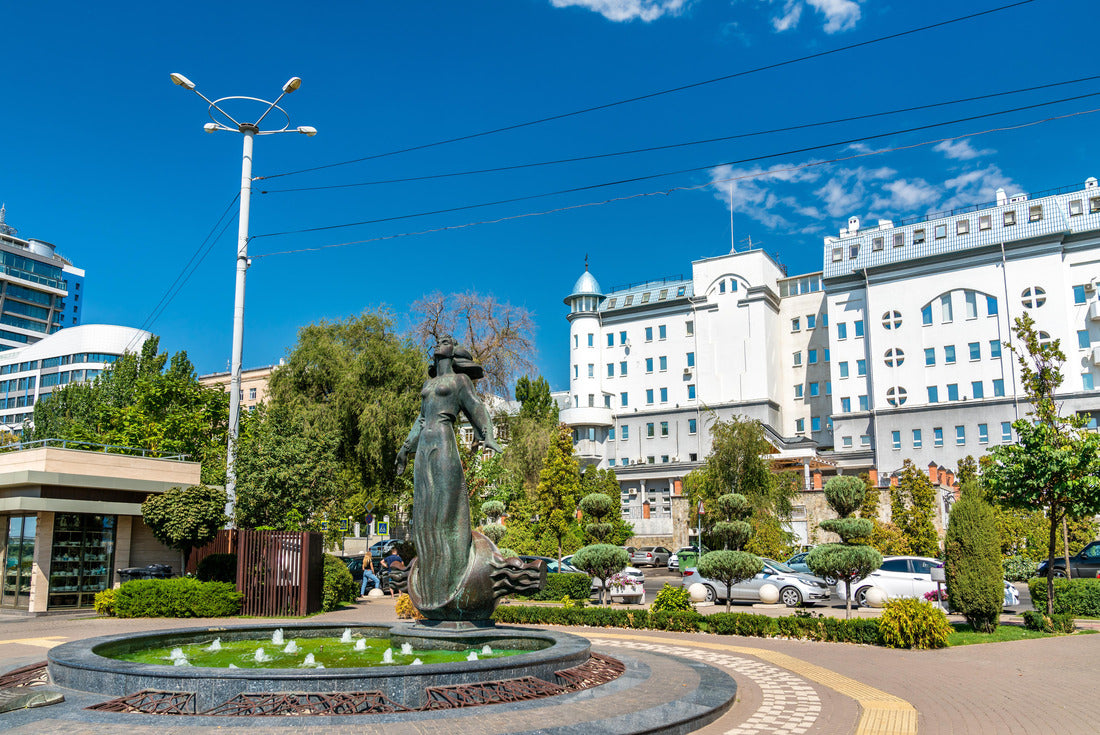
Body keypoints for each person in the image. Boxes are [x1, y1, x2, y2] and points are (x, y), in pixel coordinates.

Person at [395, 335, 502, 614]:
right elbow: (420, 420)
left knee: (444, 509)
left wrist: (488, 435)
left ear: (452, 351)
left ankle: (451, 573)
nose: (439, 342)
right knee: (424, 509)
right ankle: (432, 581)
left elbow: (476, 407)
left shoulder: (460, 381)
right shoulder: (428, 385)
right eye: (438, 341)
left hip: (443, 442)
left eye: (445, 341)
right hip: (424, 448)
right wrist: (405, 449)